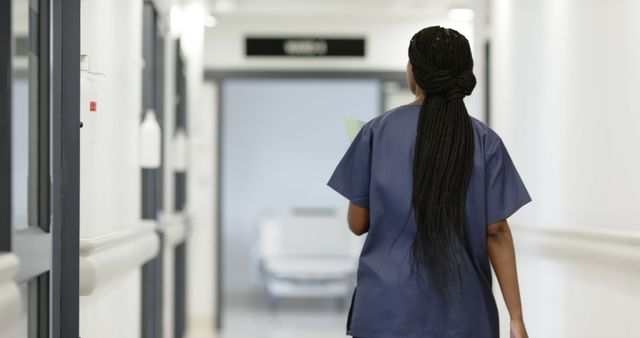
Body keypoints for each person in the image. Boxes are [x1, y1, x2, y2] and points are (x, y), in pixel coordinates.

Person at [327, 26, 531, 338]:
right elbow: (497, 232)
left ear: (413, 73)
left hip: (385, 310)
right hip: (464, 313)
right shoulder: (484, 140)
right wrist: (516, 318)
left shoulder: (375, 133)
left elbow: (358, 223)